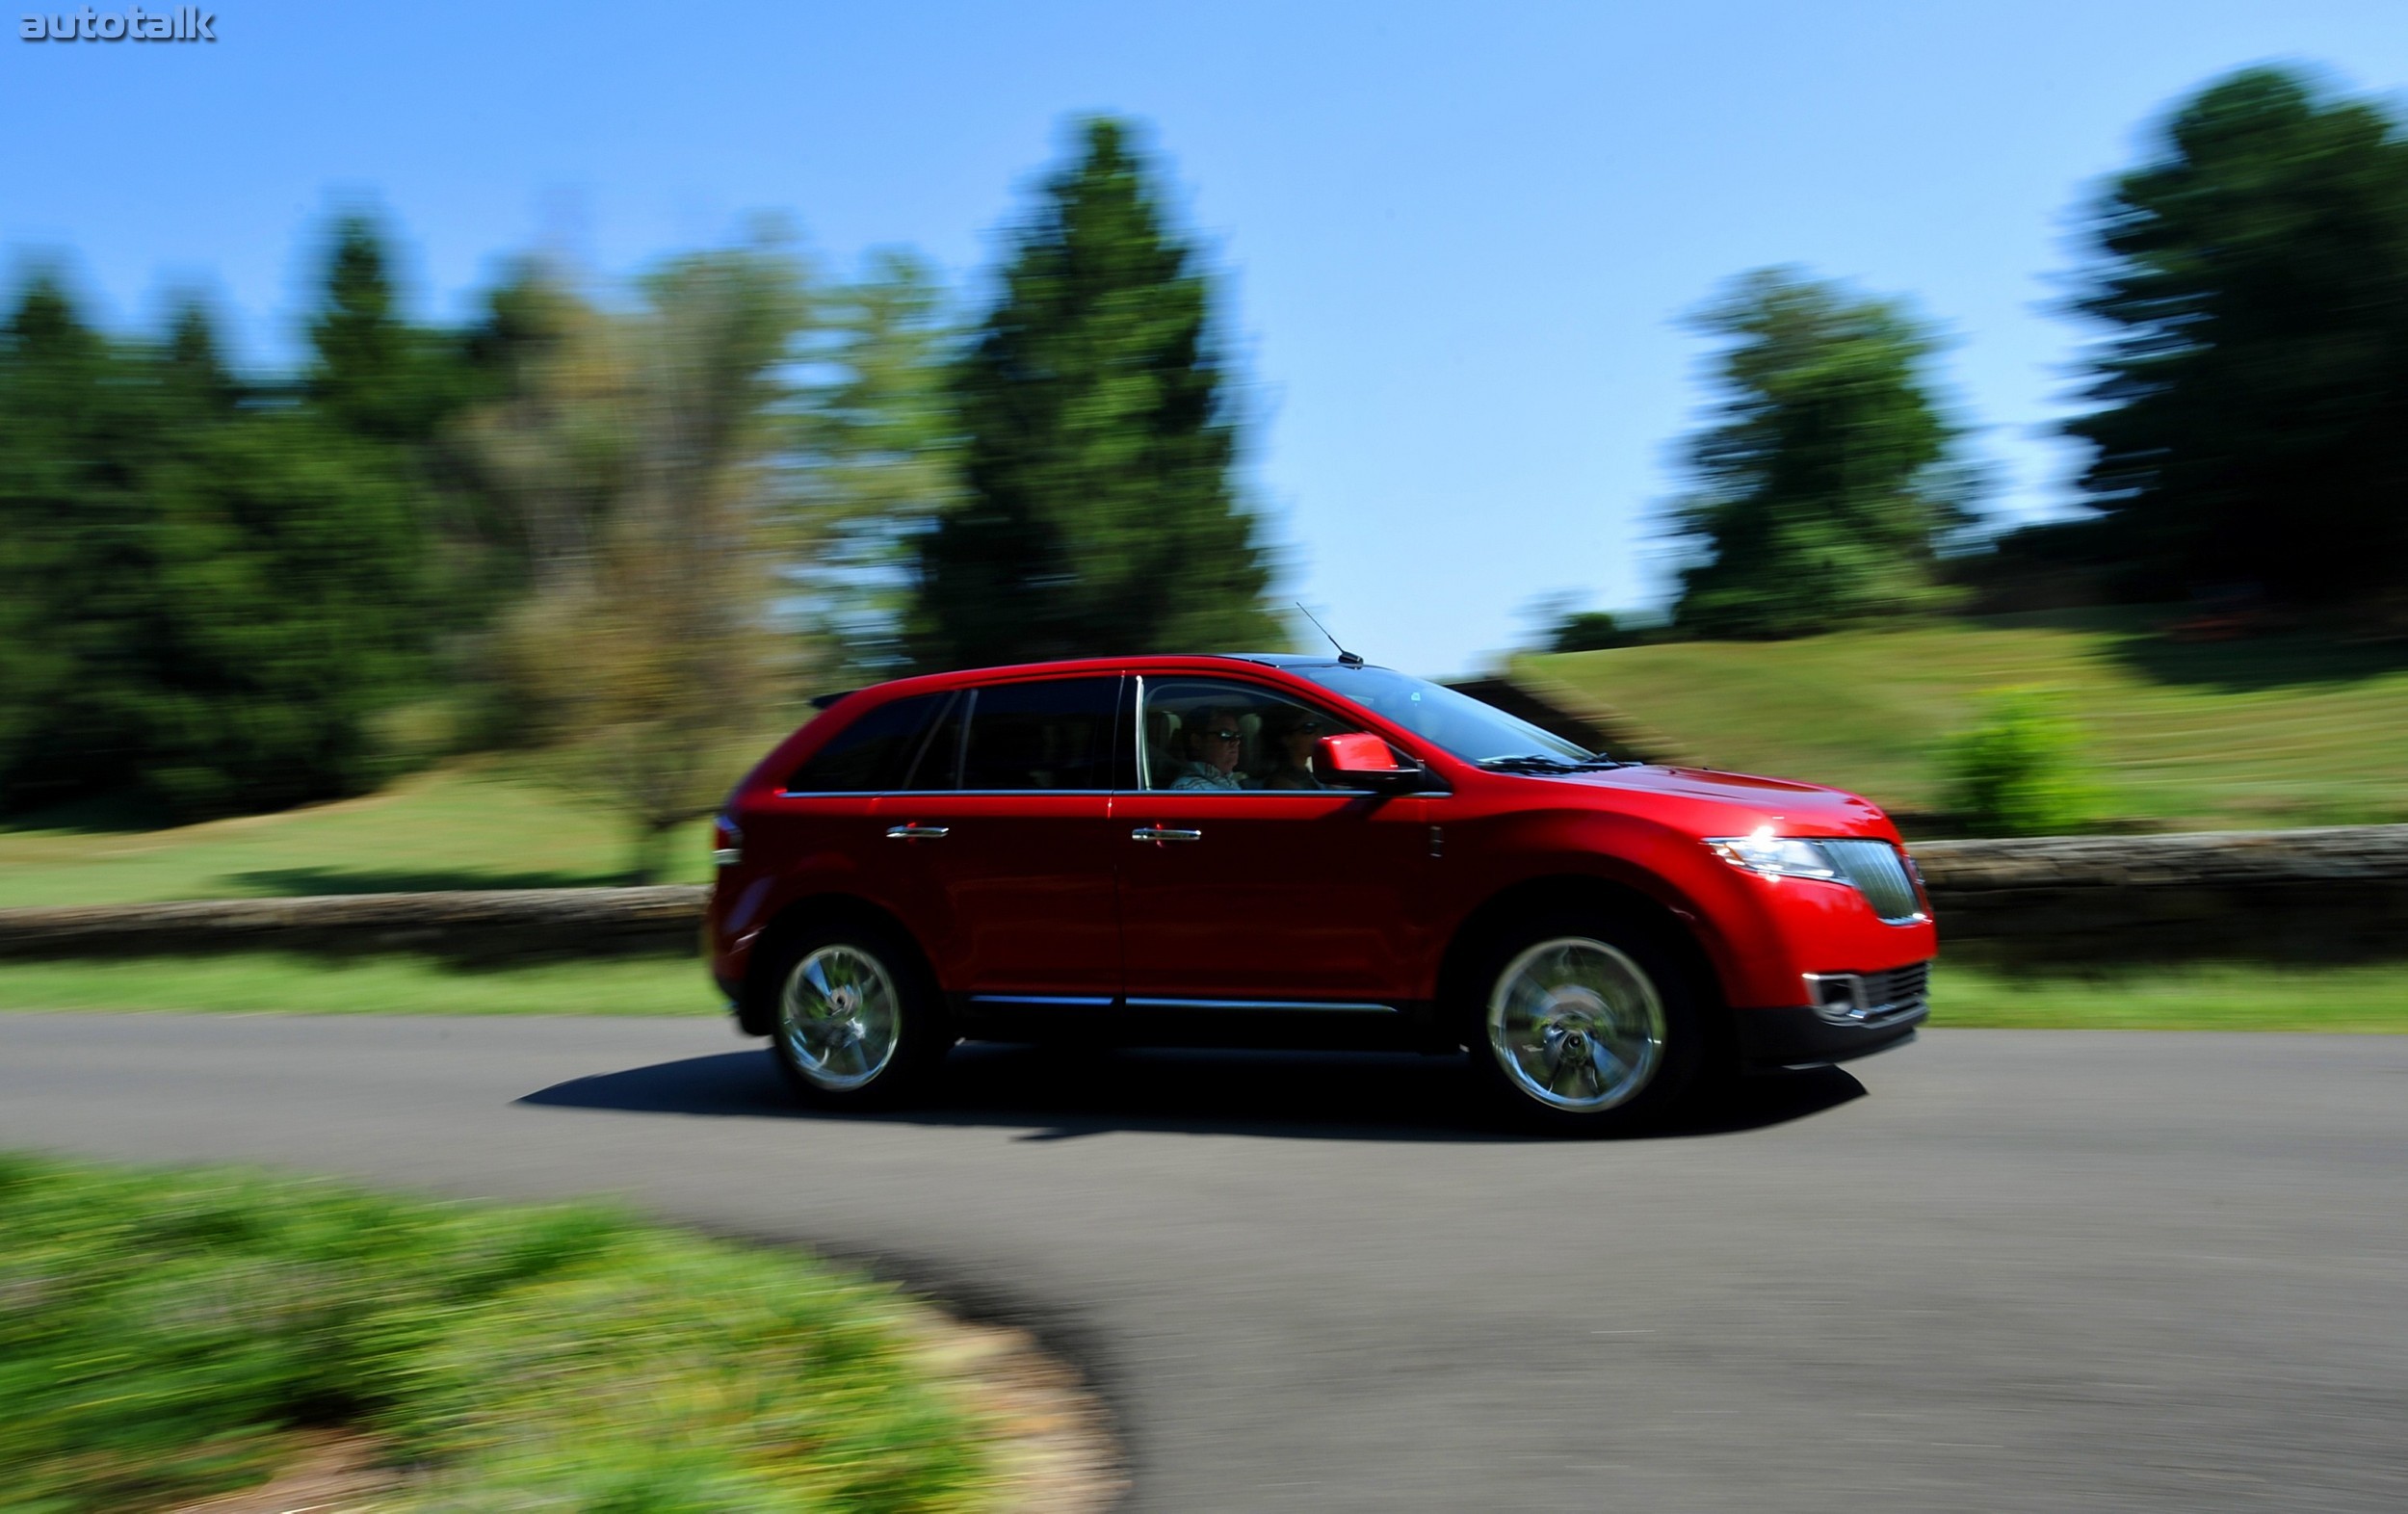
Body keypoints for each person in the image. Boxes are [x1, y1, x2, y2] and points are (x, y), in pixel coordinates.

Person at [1169, 707, 1249, 790]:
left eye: (1237, 735)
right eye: (1225, 734)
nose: (1236, 741)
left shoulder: (1231, 781)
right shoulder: (1189, 788)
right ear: (1197, 741)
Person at [1258, 705, 1329, 790]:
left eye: (1319, 726)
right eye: (1309, 728)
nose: (1319, 733)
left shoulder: (1304, 775)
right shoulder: (1285, 785)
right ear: (1287, 739)